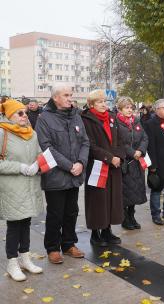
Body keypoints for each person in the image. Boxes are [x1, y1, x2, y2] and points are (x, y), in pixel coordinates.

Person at [35, 85, 90, 264]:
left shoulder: (76, 116)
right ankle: (52, 248)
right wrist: (69, 166)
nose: (70, 98)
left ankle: (68, 244)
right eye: (66, 95)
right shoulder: (45, 118)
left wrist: (81, 163)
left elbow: (85, 142)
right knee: (55, 213)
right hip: (56, 176)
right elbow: (46, 147)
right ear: (55, 98)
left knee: (71, 212)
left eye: (71, 95)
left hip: (75, 174)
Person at [0, 99, 43, 281]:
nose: (24, 115)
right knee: (14, 226)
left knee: (26, 223)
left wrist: (37, 164)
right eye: (20, 113)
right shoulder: (3, 133)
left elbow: (40, 153)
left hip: (30, 185)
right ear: (9, 116)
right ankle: (12, 262)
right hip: (12, 188)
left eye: (25, 112)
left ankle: (25, 258)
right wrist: (21, 167)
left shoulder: (31, 133)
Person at [81, 90, 125, 246]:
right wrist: (109, 157)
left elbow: (119, 140)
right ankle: (95, 233)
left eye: (104, 101)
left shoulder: (112, 118)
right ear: (92, 104)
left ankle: (107, 231)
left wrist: (119, 157)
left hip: (114, 166)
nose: (103, 104)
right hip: (97, 165)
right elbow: (89, 145)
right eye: (99, 102)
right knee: (97, 200)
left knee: (112, 199)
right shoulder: (86, 119)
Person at [116, 97, 148, 229]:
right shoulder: (117, 122)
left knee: (135, 191)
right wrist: (132, 152)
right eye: (126, 107)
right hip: (126, 163)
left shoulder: (137, 121)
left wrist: (140, 150)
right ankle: (125, 218)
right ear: (120, 109)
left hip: (137, 162)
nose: (129, 110)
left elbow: (145, 138)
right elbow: (120, 142)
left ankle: (132, 215)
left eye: (131, 107)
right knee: (126, 192)